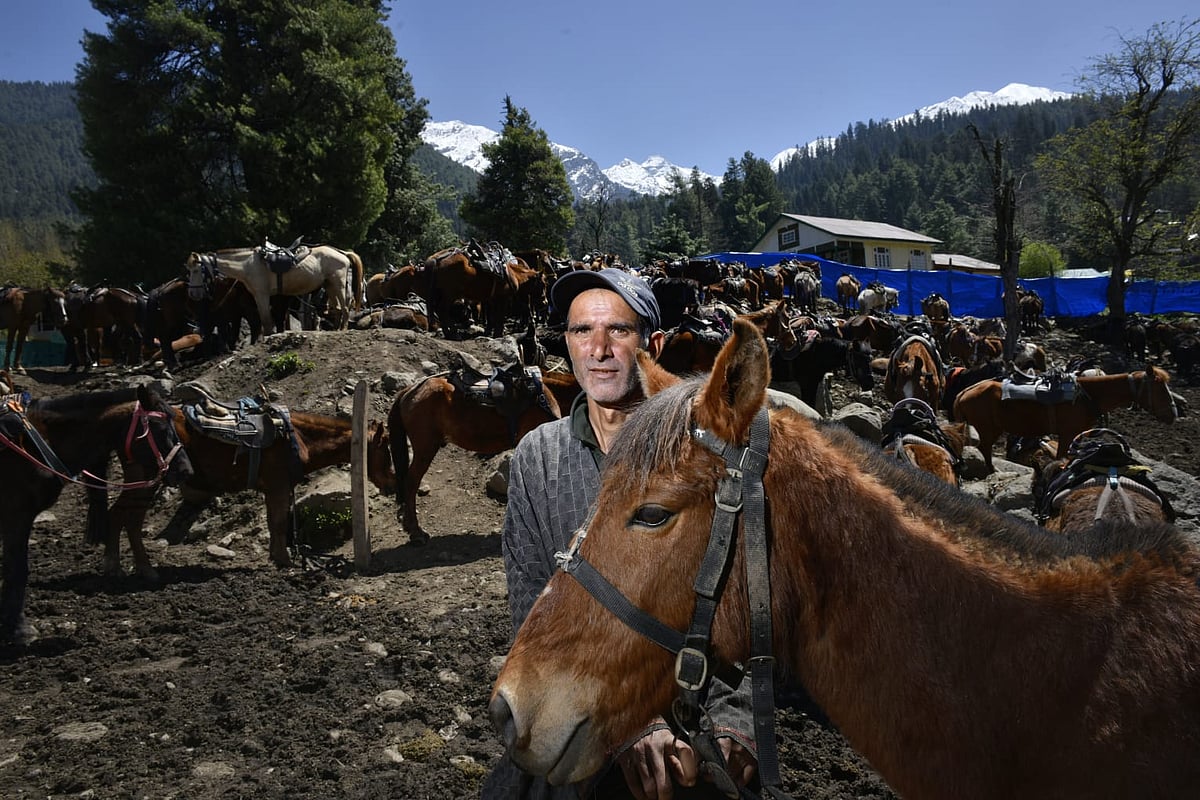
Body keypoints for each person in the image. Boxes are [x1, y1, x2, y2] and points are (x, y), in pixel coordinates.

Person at [483, 268, 758, 799]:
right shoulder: (539, 457)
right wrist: (630, 724)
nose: (599, 349)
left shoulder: (701, 456)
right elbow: (531, 602)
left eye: (619, 331)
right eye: (582, 331)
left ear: (652, 345)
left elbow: (753, 612)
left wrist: (737, 721)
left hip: (701, 716)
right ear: (567, 344)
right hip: (580, 705)